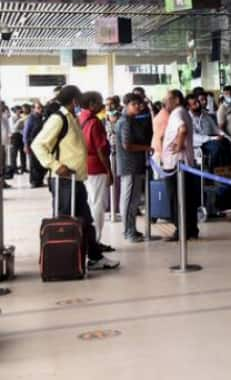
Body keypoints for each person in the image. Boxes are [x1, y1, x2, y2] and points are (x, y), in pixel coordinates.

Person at [31, 85, 119, 271]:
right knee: (65, 223)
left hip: (75, 181)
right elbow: (37, 145)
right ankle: (62, 262)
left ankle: (95, 257)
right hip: (64, 181)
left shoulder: (73, 118)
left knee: (85, 221)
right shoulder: (58, 119)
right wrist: (55, 165)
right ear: (74, 101)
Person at [78, 92, 114, 251]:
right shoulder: (95, 122)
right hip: (97, 168)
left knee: (91, 202)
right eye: (99, 102)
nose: (102, 105)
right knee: (98, 205)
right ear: (92, 104)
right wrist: (109, 171)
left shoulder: (79, 119)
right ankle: (96, 241)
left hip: (84, 167)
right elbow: (101, 149)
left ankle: (91, 240)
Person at [161, 89, 198, 241]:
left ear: (177, 99)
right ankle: (190, 229)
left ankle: (181, 230)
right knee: (187, 198)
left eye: (168, 98)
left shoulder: (177, 113)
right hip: (184, 163)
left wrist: (177, 146)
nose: (165, 101)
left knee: (177, 199)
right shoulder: (182, 112)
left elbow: (182, 129)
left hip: (176, 164)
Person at [116, 93, 151, 242]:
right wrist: (146, 148)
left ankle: (132, 229)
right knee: (129, 200)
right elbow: (127, 145)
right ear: (126, 105)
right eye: (134, 104)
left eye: (139, 104)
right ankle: (128, 231)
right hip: (129, 165)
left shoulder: (132, 120)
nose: (137, 106)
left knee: (133, 200)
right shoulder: (125, 121)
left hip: (136, 165)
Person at [24, 102, 46, 187]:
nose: (40, 109)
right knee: (33, 164)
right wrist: (25, 145)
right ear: (34, 109)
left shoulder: (43, 118)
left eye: (41, 107)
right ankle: (33, 182)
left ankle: (39, 181)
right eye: (38, 108)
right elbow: (26, 133)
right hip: (32, 144)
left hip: (41, 144)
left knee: (40, 163)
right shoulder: (31, 118)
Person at [9, 105, 28, 174]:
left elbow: (23, 127)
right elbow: (13, 128)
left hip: (21, 135)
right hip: (14, 136)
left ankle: (24, 168)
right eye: (18, 110)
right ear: (15, 111)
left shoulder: (21, 117)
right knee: (14, 153)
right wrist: (19, 121)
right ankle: (14, 169)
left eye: (20, 110)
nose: (19, 111)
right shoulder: (12, 118)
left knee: (23, 153)